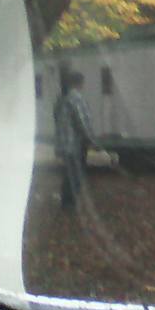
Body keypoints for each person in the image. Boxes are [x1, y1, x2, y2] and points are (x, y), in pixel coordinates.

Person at [54, 71, 98, 211]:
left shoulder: (61, 99)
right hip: (75, 143)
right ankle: (69, 203)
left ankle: (66, 201)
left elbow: (56, 118)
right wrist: (90, 139)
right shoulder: (77, 99)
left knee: (68, 174)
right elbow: (82, 121)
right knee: (75, 175)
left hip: (63, 142)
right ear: (79, 83)